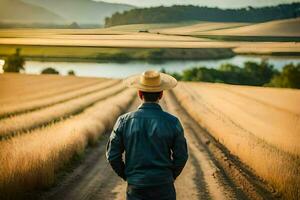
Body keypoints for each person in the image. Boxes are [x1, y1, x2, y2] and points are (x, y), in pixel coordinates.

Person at [106, 70, 188, 200]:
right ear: (161, 94)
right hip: (164, 186)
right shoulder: (173, 122)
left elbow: (112, 156)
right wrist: (170, 176)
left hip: (136, 187)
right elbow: (182, 156)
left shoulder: (124, 121)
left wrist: (128, 176)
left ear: (139, 94)